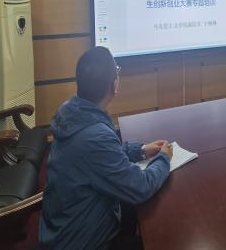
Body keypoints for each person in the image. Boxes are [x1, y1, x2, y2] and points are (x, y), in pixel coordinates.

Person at [39, 46, 173, 250]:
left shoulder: (72, 111)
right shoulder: (95, 137)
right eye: (117, 71)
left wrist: (141, 150)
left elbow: (102, 158)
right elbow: (140, 187)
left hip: (64, 224)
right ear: (114, 85)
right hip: (82, 241)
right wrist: (163, 159)